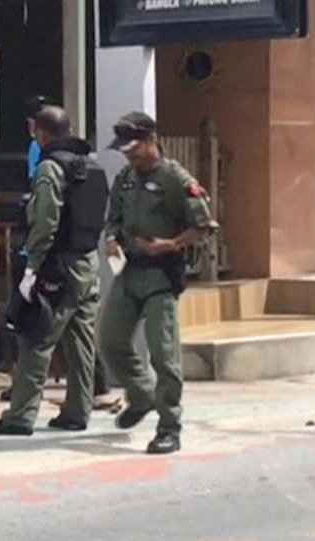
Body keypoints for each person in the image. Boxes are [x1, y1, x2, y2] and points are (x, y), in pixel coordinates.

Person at [0, 106, 108, 435]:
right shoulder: (91, 166)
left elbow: (45, 222)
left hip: (57, 265)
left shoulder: (50, 168)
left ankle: (20, 416)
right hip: (88, 262)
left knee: (36, 337)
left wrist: (32, 268)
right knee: (80, 341)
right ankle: (77, 411)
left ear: (41, 133)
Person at [99, 112, 216, 454]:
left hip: (161, 275)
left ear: (152, 140)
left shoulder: (176, 179)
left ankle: (169, 426)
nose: (129, 156)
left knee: (163, 355)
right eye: (124, 150)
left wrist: (172, 244)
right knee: (110, 340)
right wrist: (111, 239)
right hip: (130, 271)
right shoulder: (125, 178)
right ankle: (141, 395)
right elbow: (114, 219)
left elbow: (204, 227)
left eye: (134, 148)